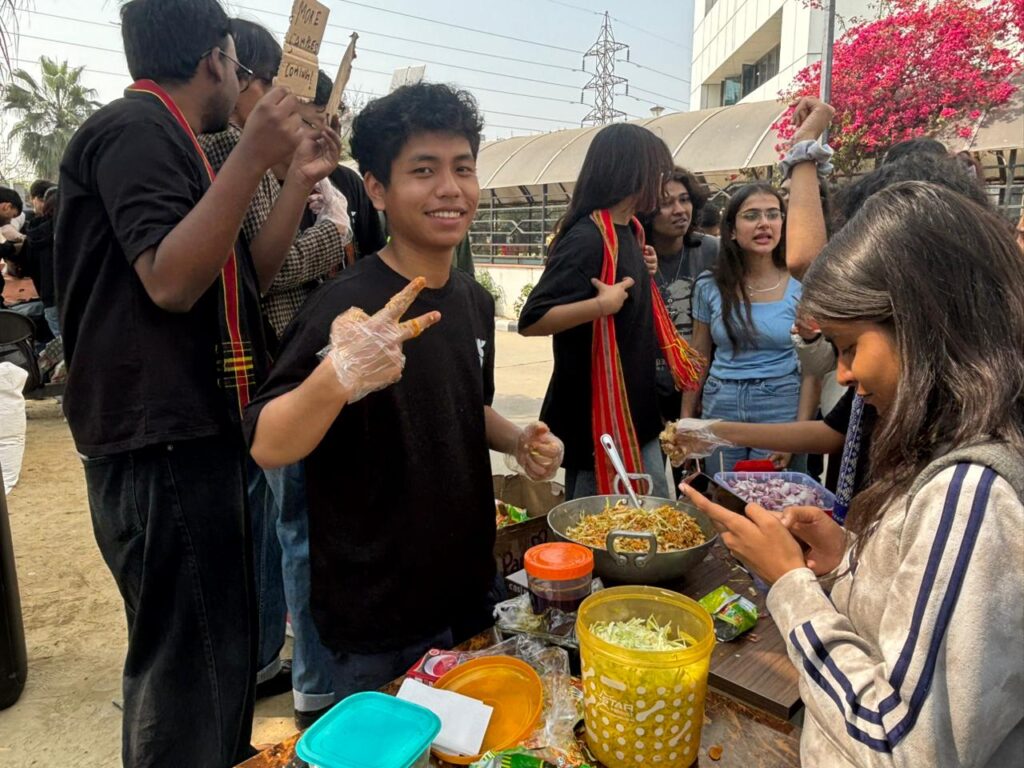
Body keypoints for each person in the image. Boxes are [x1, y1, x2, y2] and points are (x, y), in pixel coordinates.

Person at [53, 0, 339, 764]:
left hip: (191, 435)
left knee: (215, 661)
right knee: (187, 678)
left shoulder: (174, 141)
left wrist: (295, 177)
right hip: (161, 442)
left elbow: (240, 279)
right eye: (238, 65)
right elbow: (172, 282)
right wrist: (251, 156)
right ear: (216, 58)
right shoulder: (135, 130)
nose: (241, 81)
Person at [682, 181, 1024, 767]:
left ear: (920, 325)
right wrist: (846, 559)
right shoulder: (947, 451)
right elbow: (909, 623)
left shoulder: (971, 494)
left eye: (847, 347)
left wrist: (790, 583)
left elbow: (902, 746)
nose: (842, 375)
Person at [245, 82, 563, 700]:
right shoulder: (344, 305)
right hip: (375, 615)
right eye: (424, 170)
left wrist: (517, 438)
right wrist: (339, 373)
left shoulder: (473, 301)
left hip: (467, 589)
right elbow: (267, 444)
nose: (450, 188)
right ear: (377, 189)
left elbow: (467, 405)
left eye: (462, 168)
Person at [519, 124, 701, 500]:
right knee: (604, 523)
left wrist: (643, 269)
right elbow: (532, 320)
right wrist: (600, 306)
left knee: (645, 516)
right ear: (631, 173)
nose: (663, 183)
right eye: (657, 171)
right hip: (599, 422)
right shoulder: (587, 238)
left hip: (636, 412)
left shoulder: (630, 231)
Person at [683, 183, 818, 473]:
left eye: (773, 214)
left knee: (775, 496)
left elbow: (813, 369)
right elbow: (698, 356)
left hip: (780, 405)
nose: (764, 223)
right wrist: (686, 421)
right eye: (751, 215)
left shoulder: (802, 286)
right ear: (731, 230)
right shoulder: (709, 285)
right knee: (722, 495)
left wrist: (798, 434)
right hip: (721, 404)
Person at [641, 166, 719, 425]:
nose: (679, 210)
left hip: (702, 391)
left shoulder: (713, 252)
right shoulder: (632, 255)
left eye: (685, 200)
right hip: (646, 392)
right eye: (666, 203)